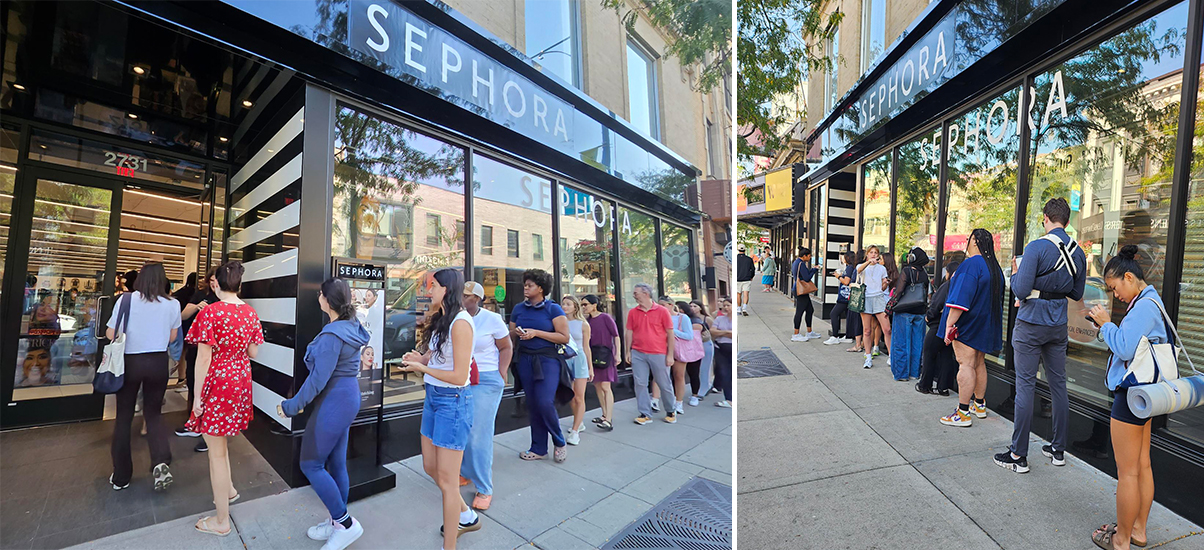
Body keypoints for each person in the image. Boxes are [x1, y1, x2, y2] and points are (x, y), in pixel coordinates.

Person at [995, 198, 1087, 474]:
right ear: (1067, 222)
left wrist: (1016, 273)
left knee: (1025, 386)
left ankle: (1018, 455)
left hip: (1031, 325)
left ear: (1045, 218)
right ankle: (1058, 450)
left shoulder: (1036, 247)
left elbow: (1020, 290)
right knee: (1058, 386)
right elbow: (1076, 294)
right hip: (1057, 326)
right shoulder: (1078, 252)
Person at [278, 278, 369, 549]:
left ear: (327, 301)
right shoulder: (349, 326)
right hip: (345, 398)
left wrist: (291, 405)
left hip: (335, 401)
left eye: (320, 294)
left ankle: (346, 524)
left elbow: (317, 380)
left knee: (311, 464)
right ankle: (337, 523)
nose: (318, 296)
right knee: (335, 463)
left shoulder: (333, 334)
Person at [1087, 245, 1164, 550]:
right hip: (1146, 394)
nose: (1114, 295)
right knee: (1142, 466)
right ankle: (1139, 531)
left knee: (1128, 472)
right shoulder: (1152, 301)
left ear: (1129, 277)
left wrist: (1106, 324)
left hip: (1131, 394)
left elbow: (1125, 348)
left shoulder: (1143, 306)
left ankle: (1121, 540)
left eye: (1114, 287)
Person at [399, 268, 480, 549]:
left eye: (432, 286)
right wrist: (419, 357)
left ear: (446, 289)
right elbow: (435, 358)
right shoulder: (443, 320)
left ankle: (450, 543)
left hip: (453, 402)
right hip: (434, 398)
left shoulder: (461, 322)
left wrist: (423, 367)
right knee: (431, 467)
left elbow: (459, 376)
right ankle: (467, 516)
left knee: (448, 481)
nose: (428, 291)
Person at [185, 261, 262, 537]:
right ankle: (228, 491)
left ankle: (221, 521)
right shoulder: (251, 313)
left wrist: (196, 397)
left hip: (217, 381)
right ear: (240, 285)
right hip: (240, 380)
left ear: (216, 283)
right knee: (221, 442)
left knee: (215, 451)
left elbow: (203, 358)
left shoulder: (210, 314)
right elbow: (253, 352)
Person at [106, 262, 181, 493]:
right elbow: (172, 338)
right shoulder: (173, 304)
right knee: (154, 414)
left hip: (130, 362)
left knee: (124, 417)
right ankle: (160, 462)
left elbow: (111, 332)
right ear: (163, 280)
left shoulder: (126, 300)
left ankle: (121, 476)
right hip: (158, 362)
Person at [939, 229, 1005, 428]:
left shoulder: (971, 264)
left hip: (968, 324)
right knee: (979, 363)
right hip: (987, 323)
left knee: (965, 364)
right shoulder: (995, 267)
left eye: (969, 239)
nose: (967, 243)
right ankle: (979, 405)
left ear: (975, 242)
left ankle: (963, 412)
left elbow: (960, 299)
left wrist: (949, 325)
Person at [459, 281, 512, 510]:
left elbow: (506, 346)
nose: (462, 297)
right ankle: (466, 472)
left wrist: (502, 371)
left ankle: (484, 487)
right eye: (461, 293)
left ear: (477, 299)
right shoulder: (456, 317)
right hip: (462, 378)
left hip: (487, 379)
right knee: (463, 428)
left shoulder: (492, 319)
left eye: (467, 295)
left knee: (479, 433)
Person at [509, 269, 571, 462]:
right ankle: (538, 447)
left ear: (541, 288)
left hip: (547, 359)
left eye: (530, 285)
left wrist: (536, 332)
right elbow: (510, 335)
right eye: (525, 285)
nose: (525, 288)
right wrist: (517, 334)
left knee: (545, 402)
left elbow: (564, 337)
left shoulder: (553, 309)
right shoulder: (519, 308)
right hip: (525, 359)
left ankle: (559, 441)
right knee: (533, 404)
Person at [176, 269, 219, 451]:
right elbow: (183, 315)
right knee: (195, 385)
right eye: (211, 279)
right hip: (197, 348)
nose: (214, 283)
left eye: (217, 279)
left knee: (213, 391)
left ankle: (209, 431)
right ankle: (196, 423)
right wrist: (196, 306)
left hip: (216, 353)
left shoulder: (227, 300)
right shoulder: (201, 295)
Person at [626, 283, 677, 424]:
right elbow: (629, 332)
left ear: (646, 294)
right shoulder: (633, 312)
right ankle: (645, 413)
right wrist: (628, 351)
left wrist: (670, 355)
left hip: (658, 352)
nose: (634, 295)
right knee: (640, 383)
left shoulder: (662, 311)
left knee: (664, 383)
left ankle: (671, 410)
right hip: (638, 352)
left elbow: (670, 333)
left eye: (636, 293)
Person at [917, 261, 960, 396]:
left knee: (929, 354)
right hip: (952, 328)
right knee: (947, 356)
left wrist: (929, 316)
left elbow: (936, 304)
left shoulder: (947, 286)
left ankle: (925, 385)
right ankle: (943, 388)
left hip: (938, 325)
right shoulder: (960, 287)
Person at [890, 248, 930, 382]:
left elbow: (899, 291)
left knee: (901, 343)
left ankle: (901, 374)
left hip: (904, 311)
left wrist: (889, 307)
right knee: (917, 344)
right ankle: (914, 372)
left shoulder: (907, 271)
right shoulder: (924, 273)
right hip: (919, 312)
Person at [560, 295, 594, 445]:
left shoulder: (583, 324)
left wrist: (590, 367)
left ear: (575, 306)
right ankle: (578, 421)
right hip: (565, 358)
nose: (565, 306)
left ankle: (575, 431)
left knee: (579, 396)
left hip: (579, 358)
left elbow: (586, 347)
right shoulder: (560, 322)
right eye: (563, 304)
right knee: (570, 395)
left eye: (568, 304)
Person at [582, 295, 619, 430]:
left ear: (594, 305)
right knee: (597, 385)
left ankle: (609, 419)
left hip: (605, 354)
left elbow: (616, 335)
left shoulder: (605, 318)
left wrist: (618, 354)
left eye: (585, 304)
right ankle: (604, 414)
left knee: (605, 386)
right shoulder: (587, 321)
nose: (584, 308)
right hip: (593, 354)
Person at [858, 246, 892, 368]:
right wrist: (868, 262)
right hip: (866, 298)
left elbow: (883, 288)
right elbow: (858, 271)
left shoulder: (882, 268)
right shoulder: (861, 266)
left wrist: (885, 284)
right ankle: (867, 356)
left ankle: (891, 356)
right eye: (871, 253)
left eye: (875, 253)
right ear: (867, 254)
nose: (873, 255)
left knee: (887, 329)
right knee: (867, 330)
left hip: (879, 298)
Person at [675, 300, 705, 412]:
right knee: (678, 375)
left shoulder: (695, 320)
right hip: (678, 349)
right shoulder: (675, 319)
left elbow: (694, 331)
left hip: (692, 350)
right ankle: (677, 396)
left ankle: (695, 395)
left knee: (693, 373)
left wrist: (675, 330)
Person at [823, 252, 856, 346]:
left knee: (833, 313)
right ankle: (848, 336)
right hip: (847, 296)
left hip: (844, 296)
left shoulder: (849, 267)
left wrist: (838, 276)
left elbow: (846, 281)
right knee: (847, 315)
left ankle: (835, 336)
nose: (842, 259)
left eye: (844, 257)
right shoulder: (852, 267)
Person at [790, 247, 821, 342]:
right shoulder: (801, 264)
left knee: (810, 310)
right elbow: (807, 277)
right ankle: (796, 334)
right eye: (809, 256)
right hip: (800, 290)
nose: (810, 257)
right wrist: (814, 270)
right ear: (804, 256)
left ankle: (809, 331)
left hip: (799, 289)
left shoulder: (796, 262)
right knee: (799, 311)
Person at [689, 299, 715, 405]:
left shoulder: (707, 318)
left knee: (705, 367)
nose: (692, 308)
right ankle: (698, 388)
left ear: (700, 307)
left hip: (705, 344)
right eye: (690, 306)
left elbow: (713, 332)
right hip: (693, 346)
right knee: (696, 369)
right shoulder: (688, 318)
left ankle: (703, 389)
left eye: (695, 306)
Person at [711, 298, 734, 408]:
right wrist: (726, 332)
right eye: (724, 305)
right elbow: (713, 331)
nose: (725, 307)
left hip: (731, 348)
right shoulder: (719, 319)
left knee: (732, 373)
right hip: (720, 348)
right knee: (724, 372)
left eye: (728, 305)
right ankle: (729, 399)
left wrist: (721, 333)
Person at [735, 245, 754, 316]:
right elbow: (752, 269)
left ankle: (739, 308)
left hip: (737, 279)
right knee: (746, 293)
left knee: (738, 294)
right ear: (745, 250)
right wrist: (751, 276)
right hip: (746, 278)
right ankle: (744, 308)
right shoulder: (749, 259)